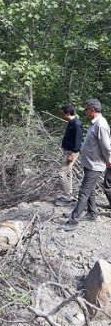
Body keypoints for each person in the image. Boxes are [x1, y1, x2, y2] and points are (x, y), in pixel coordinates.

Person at [64, 98, 111, 230]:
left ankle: (73, 221)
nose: (85, 112)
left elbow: (106, 147)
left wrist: (109, 161)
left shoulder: (101, 124)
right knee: (89, 191)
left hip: (95, 164)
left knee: (84, 191)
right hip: (89, 162)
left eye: (86, 109)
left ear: (93, 110)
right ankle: (92, 213)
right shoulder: (94, 123)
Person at [55, 103, 83, 206]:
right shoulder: (71, 122)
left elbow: (77, 140)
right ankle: (69, 193)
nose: (62, 116)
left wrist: (72, 153)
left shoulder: (76, 124)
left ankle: (67, 195)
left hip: (72, 152)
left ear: (67, 113)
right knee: (68, 172)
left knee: (61, 173)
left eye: (63, 114)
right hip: (69, 151)